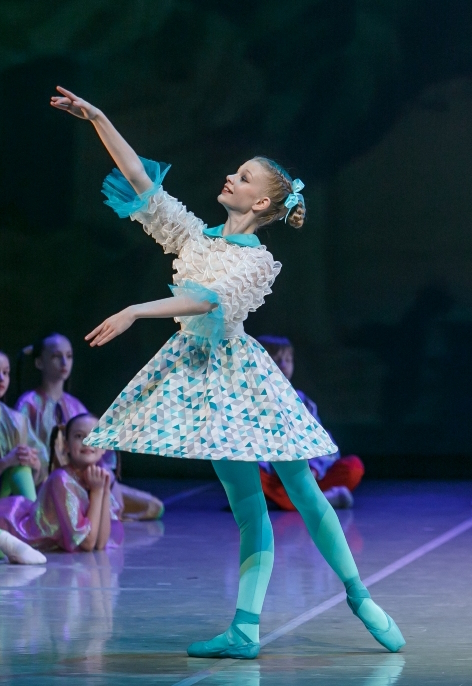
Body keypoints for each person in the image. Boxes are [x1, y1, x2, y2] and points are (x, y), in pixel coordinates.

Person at [50, 85, 405, 658]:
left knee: (303, 488)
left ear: (261, 203)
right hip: (204, 384)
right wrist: (97, 118)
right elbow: (141, 181)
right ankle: (245, 629)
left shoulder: (257, 261)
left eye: (243, 177)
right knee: (246, 505)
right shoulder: (194, 237)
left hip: (244, 380)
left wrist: (137, 309)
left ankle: (359, 595)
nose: (231, 178)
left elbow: (206, 300)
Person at [16, 333, 164, 520]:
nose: (64, 362)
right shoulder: (28, 404)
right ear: (39, 362)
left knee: (153, 506)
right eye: (56, 356)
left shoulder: (75, 405)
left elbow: (99, 448)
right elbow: (26, 447)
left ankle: (100, 513)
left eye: (69, 356)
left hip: (84, 478)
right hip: (50, 481)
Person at [256, 336, 364, 509]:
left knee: (353, 467)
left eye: (288, 360)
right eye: (275, 360)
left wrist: (314, 468)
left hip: (304, 477)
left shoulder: (302, 402)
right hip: (274, 477)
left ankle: (290, 501)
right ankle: (318, 501)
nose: (283, 365)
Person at [0, 413, 123, 557]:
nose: (87, 441)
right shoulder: (62, 479)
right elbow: (87, 543)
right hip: (14, 532)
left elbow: (100, 543)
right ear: (66, 445)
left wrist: (104, 491)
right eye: (79, 436)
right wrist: (96, 492)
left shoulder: (97, 477)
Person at [0, 350, 47, 500]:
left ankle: (29, 512)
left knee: (21, 464)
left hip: (6, 494)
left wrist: (34, 463)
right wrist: (6, 462)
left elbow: (41, 463)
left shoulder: (17, 420)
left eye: (5, 372)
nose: (1, 378)